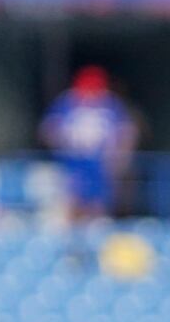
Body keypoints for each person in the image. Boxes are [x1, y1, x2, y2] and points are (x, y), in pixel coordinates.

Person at [38, 66, 136, 217]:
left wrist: (120, 158)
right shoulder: (66, 101)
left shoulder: (111, 103)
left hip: (101, 164)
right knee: (70, 202)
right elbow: (47, 129)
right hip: (71, 163)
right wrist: (60, 144)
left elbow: (127, 131)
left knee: (99, 206)